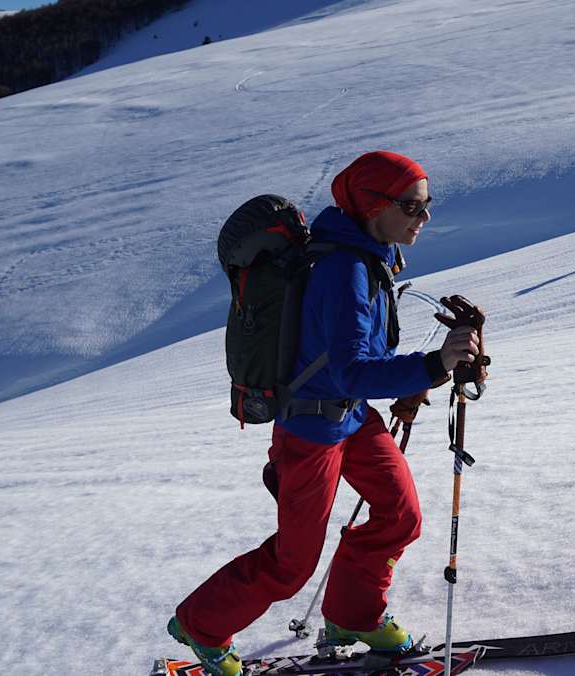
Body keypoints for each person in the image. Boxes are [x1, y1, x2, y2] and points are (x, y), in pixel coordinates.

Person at [167, 151, 480, 676]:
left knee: (399, 514)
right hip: (310, 430)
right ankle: (199, 625)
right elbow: (352, 369)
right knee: (293, 564)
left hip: (353, 419)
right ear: (373, 205)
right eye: (411, 206)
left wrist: (412, 380)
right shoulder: (344, 269)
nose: (423, 218)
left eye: (427, 205)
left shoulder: (369, 254)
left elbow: (359, 362)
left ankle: (352, 617)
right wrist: (430, 366)